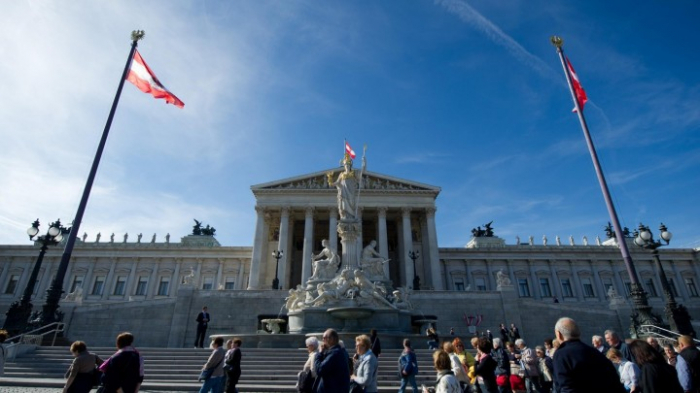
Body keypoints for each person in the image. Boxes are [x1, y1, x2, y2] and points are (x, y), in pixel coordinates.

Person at [551, 317, 624, 393]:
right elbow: (614, 381)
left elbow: (566, 387)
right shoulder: (595, 352)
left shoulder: (561, 355)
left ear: (559, 334)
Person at [314, 328, 350, 393]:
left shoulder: (334, 353)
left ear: (331, 339)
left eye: (324, 338)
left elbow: (320, 369)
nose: (323, 340)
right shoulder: (341, 351)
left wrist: (319, 354)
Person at [331, 153, 360, 220]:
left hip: (351, 193)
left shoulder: (353, 173)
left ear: (350, 165)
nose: (347, 166)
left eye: (348, 165)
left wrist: (364, 163)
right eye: (346, 165)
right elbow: (337, 182)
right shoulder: (341, 174)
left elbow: (362, 173)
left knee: (352, 207)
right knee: (343, 207)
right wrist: (331, 182)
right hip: (344, 193)